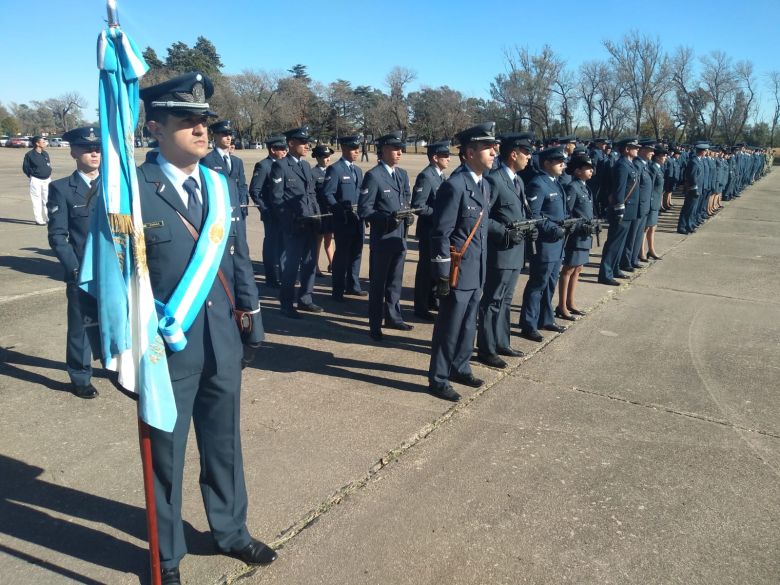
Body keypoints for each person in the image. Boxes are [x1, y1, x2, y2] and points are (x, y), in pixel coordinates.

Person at [138, 72, 274, 585]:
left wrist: (252, 319)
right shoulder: (133, 192)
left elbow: (236, 257)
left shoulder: (218, 184)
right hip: (165, 349)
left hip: (221, 338)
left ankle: (230, 530)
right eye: (186, 120)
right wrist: (116, 350)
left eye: (203, 121)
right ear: (155, 127)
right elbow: (115, 280)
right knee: (165, 457)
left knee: (224, 444)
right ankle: (167, 556)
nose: (201, 130)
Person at [427, 123, 497, 401]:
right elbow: (440, 234)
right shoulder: (455, 186)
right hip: (456, 272)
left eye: (493, 148)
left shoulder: (485, 185)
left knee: (469, 325)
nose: (494, 152)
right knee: (449, 327)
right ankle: (438, 378)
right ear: (469, 152)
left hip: (476, 270)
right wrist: (442, 274)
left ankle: (460, 367)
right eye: (487, 148)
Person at [46, 127, 102, 399]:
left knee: (121, 321)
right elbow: (58, 236)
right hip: (83, 270)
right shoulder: (61, 189)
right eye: (87, 148)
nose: (94, 153)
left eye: (98, 148)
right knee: (81, 327)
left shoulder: (116, 186)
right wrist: (75, 268)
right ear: (73, 152)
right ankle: (80, 376)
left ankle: (122, 369)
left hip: (115, 269)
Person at [476, 132, 535, 369]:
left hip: (515, 252)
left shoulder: (517, 181)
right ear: (514, 154)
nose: (529, 157)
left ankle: (502, 342)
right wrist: (504, 232)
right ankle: (486, 348)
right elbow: (483, 217)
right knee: (492, 301)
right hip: (500, 252)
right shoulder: (494, 180)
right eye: (526, 153)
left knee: (506, 300)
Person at [358, 131, 415, 341]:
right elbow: (364, 210)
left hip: (399, 238)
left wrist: (408, 216)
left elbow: (406, 201)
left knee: (395, 282)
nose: (399, 152)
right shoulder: (374, 176)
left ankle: (393, 316)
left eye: (400, 149)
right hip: (382, 239)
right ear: (382, 151)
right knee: (378, 283)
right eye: (394, 148)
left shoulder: (401, 174)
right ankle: (375, 323)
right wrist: (385, 218)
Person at [270, 126, 323, 318]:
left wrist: (317, 216)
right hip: (294, 225)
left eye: (307, 142)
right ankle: (286, 303)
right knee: (291, 266)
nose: (307, 145)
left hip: (309, 223)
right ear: (291, 143)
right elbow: (277, 199)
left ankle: (305, 299)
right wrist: (290, 220)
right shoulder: (281, 166)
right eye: (302, 142)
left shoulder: (305, 166)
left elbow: (311, 194)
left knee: (309, 264)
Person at [518, 147, 569, 342]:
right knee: (537, 284)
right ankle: (528, 323)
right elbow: (534, 215)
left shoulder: (556, 183)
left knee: (550, 283)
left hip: (557, 244)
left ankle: (545, 318)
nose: (562, 165)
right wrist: (552, 228)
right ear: (547, 163)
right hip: (545, 244)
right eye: (558, 162)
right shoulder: (538, 184)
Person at [322, 135, 367, 301]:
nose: (357, 152)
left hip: (358, 219)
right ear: (345, 148)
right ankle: (338, 289)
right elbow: (328, 193)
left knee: (356, 253)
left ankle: (353, 285)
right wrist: (339, 209)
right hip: (343, 220)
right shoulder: (335, 169)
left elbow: (362, 193)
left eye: (358, 149)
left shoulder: (358, 170)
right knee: (342, 255)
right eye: (354, 149)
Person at [412, 140, 451, 320]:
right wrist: (439, 214)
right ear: (435, 158)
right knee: (425, 270)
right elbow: (418, 206)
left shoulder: (441, 175)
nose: (449, 159)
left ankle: (430, 300)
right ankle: (420, 307)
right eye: (445, 156)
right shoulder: (426, 176)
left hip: (437, 231)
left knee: (435, 269)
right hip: (429, 229)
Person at [556, 155, 597, 320]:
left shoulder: (585, 187)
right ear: (578, 171)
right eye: (587, 168)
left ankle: (571, 302)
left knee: (578, 268)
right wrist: (579, 226)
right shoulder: (572, 187)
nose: (591, 171)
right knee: (569, 269)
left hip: (585, 234)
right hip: (576, 235)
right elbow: (568, 213)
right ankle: (562, 305)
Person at [598, 137, 640, 285]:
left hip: (630, 209)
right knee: (614, 242)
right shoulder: (622, 165)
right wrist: (619, 207)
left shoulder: (629, 164)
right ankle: (605, 273)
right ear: (627, 149)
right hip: (623, 208)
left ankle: (614, 268)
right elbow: (619, 189)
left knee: (621, 242)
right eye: (634, 147)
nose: (637, 149)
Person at [248, 135, 287, 288]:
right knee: (272, 246)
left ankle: (283, 276)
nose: (285, 152)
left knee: (284, 246)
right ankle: (271, 278)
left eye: (285, 149)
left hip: (285, 213)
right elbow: (255, 191)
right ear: (272, 150)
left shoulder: (285, 165)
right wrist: (265, 209)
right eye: (282, 149)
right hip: (271, 213)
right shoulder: (264, 166)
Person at [201, 120, 249, 218]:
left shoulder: (237, 161)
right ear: (215, 136)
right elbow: (205, 189)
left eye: (230, 134)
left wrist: (242, 204)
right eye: (224, 134)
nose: (228, 138)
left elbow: (242, 186)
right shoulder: (207, 160)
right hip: (218, 214)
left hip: (238, 212)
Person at [311, 144, 335, 277]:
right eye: (325, 157)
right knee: (318, 239)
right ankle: (315, 266)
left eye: (329, 157)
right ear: (318, 158)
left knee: (329, 238)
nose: (328, 159)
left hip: (330, 211)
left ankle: (333, 263)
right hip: (319, 211)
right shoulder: (313, 173)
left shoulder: (331, 171)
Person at [677, 143, 708, 234]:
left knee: (693, 209)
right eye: (705, 151)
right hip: (693, 189)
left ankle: (689, 224)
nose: (706, 153)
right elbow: (692, 177)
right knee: (688, 208)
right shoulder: (694, 161)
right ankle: (682, 226)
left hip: (698, 188)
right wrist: (694, 187)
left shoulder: (699, 160)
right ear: (702, 152)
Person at [22, 136, 53, 225]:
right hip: (36, 180)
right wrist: (32, 175)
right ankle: (39, 219)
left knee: (47, 200)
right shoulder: (29, 155)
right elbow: (25, 168)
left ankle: (49, 218)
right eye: (43, 142)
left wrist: (49, 172)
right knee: (37, 200)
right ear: (37, 143)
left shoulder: (45, 153)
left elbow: (48, 165)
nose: (45, 143)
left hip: (47, 180)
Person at [643, 146, 667, 260]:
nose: (665, 158)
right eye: (663, 156)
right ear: (657, 157)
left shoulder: (659, 168)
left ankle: (651, 250)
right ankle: (641, 252)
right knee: (646, 228)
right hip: (652, 202)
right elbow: (650, 187)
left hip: (656, 201)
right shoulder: (653, 168)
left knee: (653, 227)